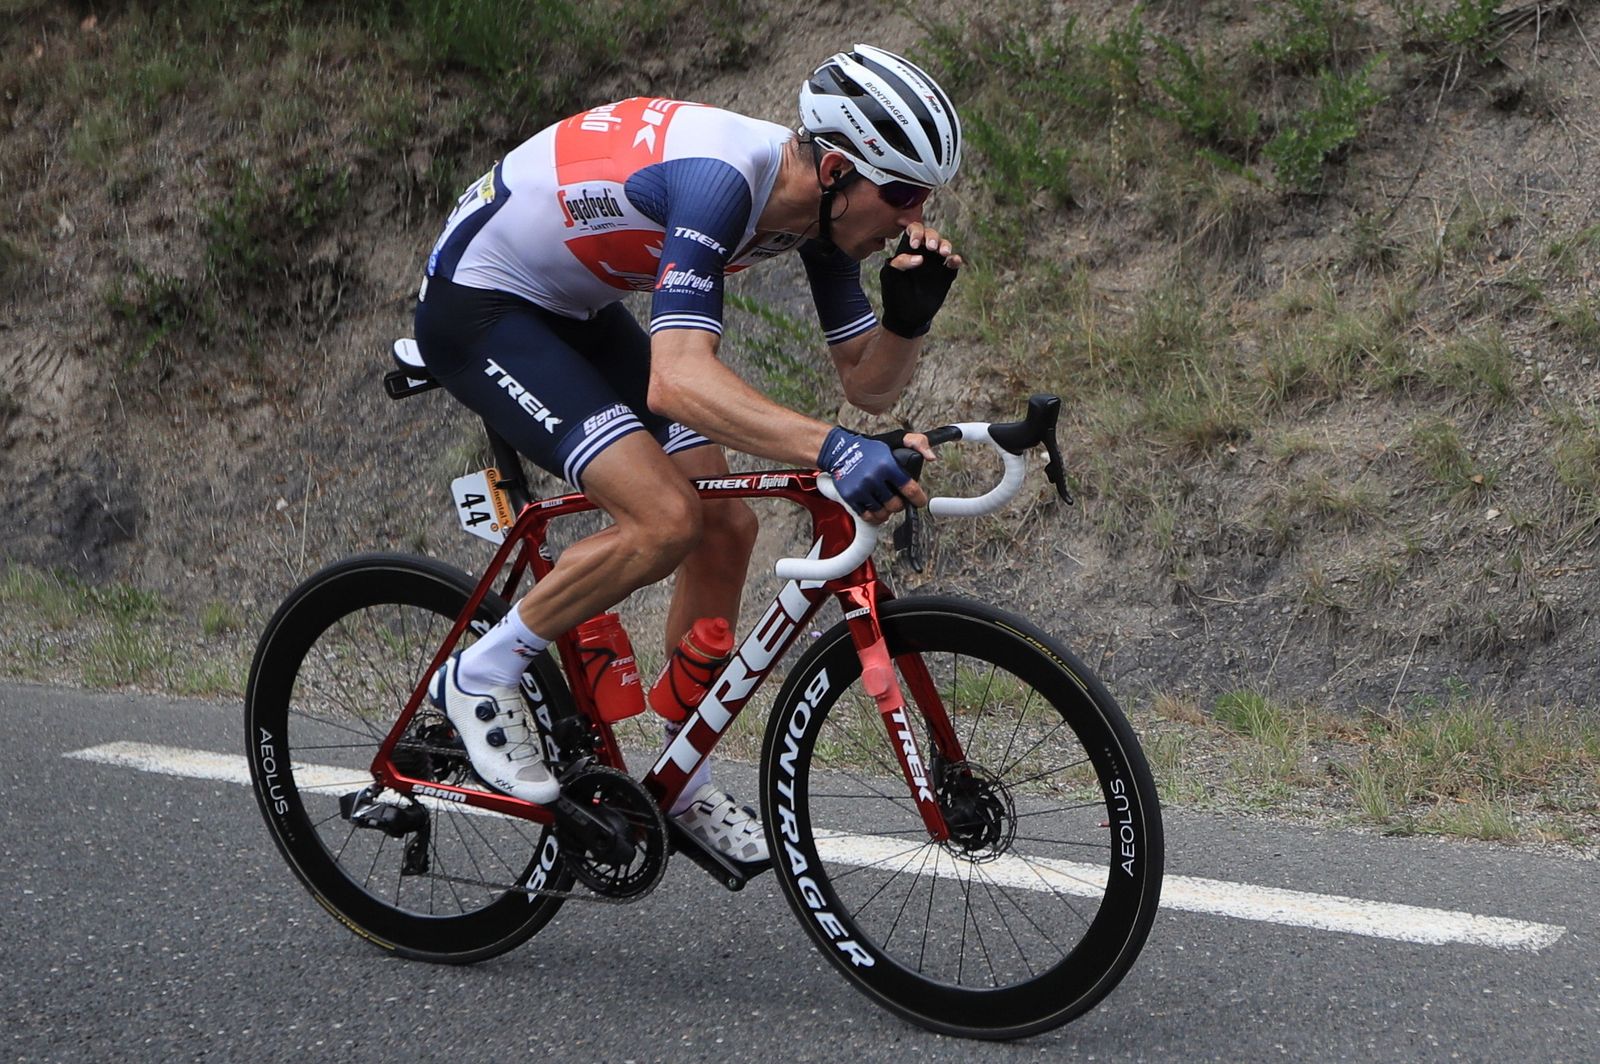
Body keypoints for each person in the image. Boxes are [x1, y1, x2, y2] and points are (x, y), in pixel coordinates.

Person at [412, 44, 964, 862]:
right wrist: (836, 451)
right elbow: (677, 379)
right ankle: (479, 675)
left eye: (924, 197)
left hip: (573, 306)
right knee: (665, 518)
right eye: (903, 193)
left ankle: (680, 775)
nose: (912, 217)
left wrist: (907, 320)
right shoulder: (721, 182)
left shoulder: (820, 216)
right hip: (482, 307)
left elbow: (867, 386)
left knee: (725, 528)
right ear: (838, 169)